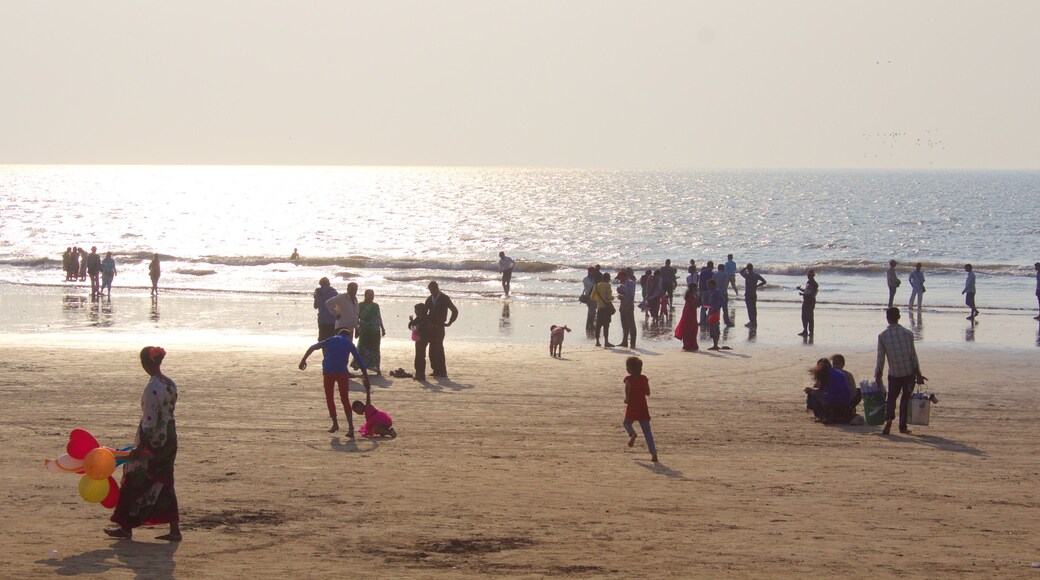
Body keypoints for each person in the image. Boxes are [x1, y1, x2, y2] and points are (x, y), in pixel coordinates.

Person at [105, 346, 181, 541]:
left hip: (154, 441)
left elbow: (149, 420)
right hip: (170, 438)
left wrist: (141, 447)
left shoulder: (152, 388)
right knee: (165, 480)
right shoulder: (170, 384)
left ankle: (125, 526)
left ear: (145, 363)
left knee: (133, 476)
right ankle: (174, 530)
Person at [299, 328, 371, 434]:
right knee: (345, 399)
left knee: (330, 398)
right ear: (350, 336)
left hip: (329, 371)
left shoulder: (331, 339)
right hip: (342, 372)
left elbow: (313, 347)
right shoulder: (349, 343)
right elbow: (360, 361)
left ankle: (335, 424)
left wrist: (303, 360)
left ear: (338, 334)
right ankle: (350, 427)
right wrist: (366, 378)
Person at [875, 307, 927, 435]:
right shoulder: (908, 333)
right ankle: (902, 426)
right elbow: (913, 356)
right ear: (899, 317)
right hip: (908, 373)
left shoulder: (882, 336)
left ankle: (889, 419)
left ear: (887, 318)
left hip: (894, 374)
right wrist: (919, 374)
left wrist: (878, 375)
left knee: (892, 397)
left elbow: (880, 358)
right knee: (905, 399)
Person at [622, 356, 657, 463]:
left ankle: (632, 433)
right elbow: (648, 392)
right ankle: (654, 453)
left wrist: (627, 398)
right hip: (642, 407)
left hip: (632, 406)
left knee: (626, 423)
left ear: (629, 369)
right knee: (647, 431)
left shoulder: (628, 379)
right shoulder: (644, 379)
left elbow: (627, 386)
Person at [423, 281, 459, 378]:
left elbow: (454, 311)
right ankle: (435, 370)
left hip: (440, 327)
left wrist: (450, 322)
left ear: (437, 288)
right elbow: (424, 313)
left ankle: (442, 371)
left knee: (439, 348)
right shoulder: (429, 299)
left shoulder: (444, 298)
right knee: (431, 348)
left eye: (432, 289)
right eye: (430, 290)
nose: (431, 291)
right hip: (430, 327)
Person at [804, 357, 853, 424]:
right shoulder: (837, 372)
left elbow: (822, 391)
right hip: (846, 401)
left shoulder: (827, 374)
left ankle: (822, 416)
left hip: (834, 401)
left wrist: (811, 390)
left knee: (811, 394)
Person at [353, 289, 386, 375]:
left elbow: (379, 317)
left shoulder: (375, 306)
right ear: (365, 295)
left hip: (374, 330)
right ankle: (361, 367)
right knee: (362, 348)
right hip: (364, 330)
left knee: (375, 349)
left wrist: (382, 328)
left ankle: (377, 368)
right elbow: (356, 318)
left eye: (372, 295)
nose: (371, 297)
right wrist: (356, 329)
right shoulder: (360, 305)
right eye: (370, 295)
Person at [830, 354, 862, 419]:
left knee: (859, 391)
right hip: (832, 401)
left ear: (843, 364)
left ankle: (848, 408)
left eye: (838, 364)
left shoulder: (848, 375)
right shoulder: (829, 374)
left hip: (845, 401)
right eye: (834, 364)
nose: (836, 366)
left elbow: (853, 392)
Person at [408, 303, 432, 380]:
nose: (415, 312)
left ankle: (421, 374)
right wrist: (412, 321)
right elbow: (411, 327)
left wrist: (417, 327)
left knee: (420, 356)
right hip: (419, 339)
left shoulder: (425, 319)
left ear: (421, 311)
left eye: (416, 310)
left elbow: (421, 328)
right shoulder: (418, 318)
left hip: (423, 339)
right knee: (419, 356)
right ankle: (419, 373)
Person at [591, 272, 615, 348]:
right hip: (606, 309)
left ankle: (597, 342)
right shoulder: (608, 285)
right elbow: (609, 297)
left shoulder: (596, 285)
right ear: (608, 279)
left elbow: (592, 297)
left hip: (599, 308)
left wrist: (599, 300)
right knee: (606, 325)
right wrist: (613, 298)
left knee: (598, 325)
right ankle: (606, 342)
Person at [673, 286, 700, 351]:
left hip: (689, 313)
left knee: (689, 329)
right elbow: (694, 305)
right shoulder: (691, 296)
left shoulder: (690, 295)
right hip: (690, 314)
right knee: (690, 329)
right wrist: (697, 299)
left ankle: (689, 345)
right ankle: (689, 345)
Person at [706, 279, 730, 351]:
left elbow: (723, 299)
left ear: (713, 284)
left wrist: (717, 307)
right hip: (711, 310)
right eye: (708, 285)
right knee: (714, 327)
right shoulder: (712, 292)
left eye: (709, 285)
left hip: (714, 311)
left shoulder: (716, 291)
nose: (708, 286)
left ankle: (715, 345)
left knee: (714, 327)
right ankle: (715, 345)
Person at [739, 263, 766, 327]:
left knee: (749, 308)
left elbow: (741, 272)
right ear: (752, 268)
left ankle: (751, 321)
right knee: (754, 308)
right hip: (753, 293)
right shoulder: (756, 275)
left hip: (748, 293)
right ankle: (754, 321)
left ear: (748, 268)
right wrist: (757, 286)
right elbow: (764, 281)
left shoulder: (747, 275)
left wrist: (746, 268)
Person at [313, 277, 339, 343]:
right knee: (332, 338)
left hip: (322, 319)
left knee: (322, 339)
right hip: (332, 319)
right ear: (329, 283)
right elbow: (337, 305)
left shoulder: (318, 292)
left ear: (320, 284)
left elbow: (315, 306)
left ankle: (324, 349)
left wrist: (316, 297)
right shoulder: (334, 292)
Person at [616, 271, 637, 348]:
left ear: (623, 276)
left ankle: (632, 343)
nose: (619, 280)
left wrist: (622, 293)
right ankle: (624, 342)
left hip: (629, 306)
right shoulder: (622, 283)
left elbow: (630, 295)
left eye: (620, 278)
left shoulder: (630, 283)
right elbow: (623, 295)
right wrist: (619, 296)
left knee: (631, 325)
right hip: (623, 305)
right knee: (624, 324)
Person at [797, 269, 818, 337]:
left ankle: (811, 332)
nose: (808, 276)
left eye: (810, 275)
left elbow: (812, 294)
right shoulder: (808, 282)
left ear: (813, 276)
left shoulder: (815, 284)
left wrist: (803, 294)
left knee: (810, 318)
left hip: (810, 302)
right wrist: (800, 289)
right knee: (804, 317)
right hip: (805, 301)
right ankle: (805, 331)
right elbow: (806, 291)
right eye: (808, 275)